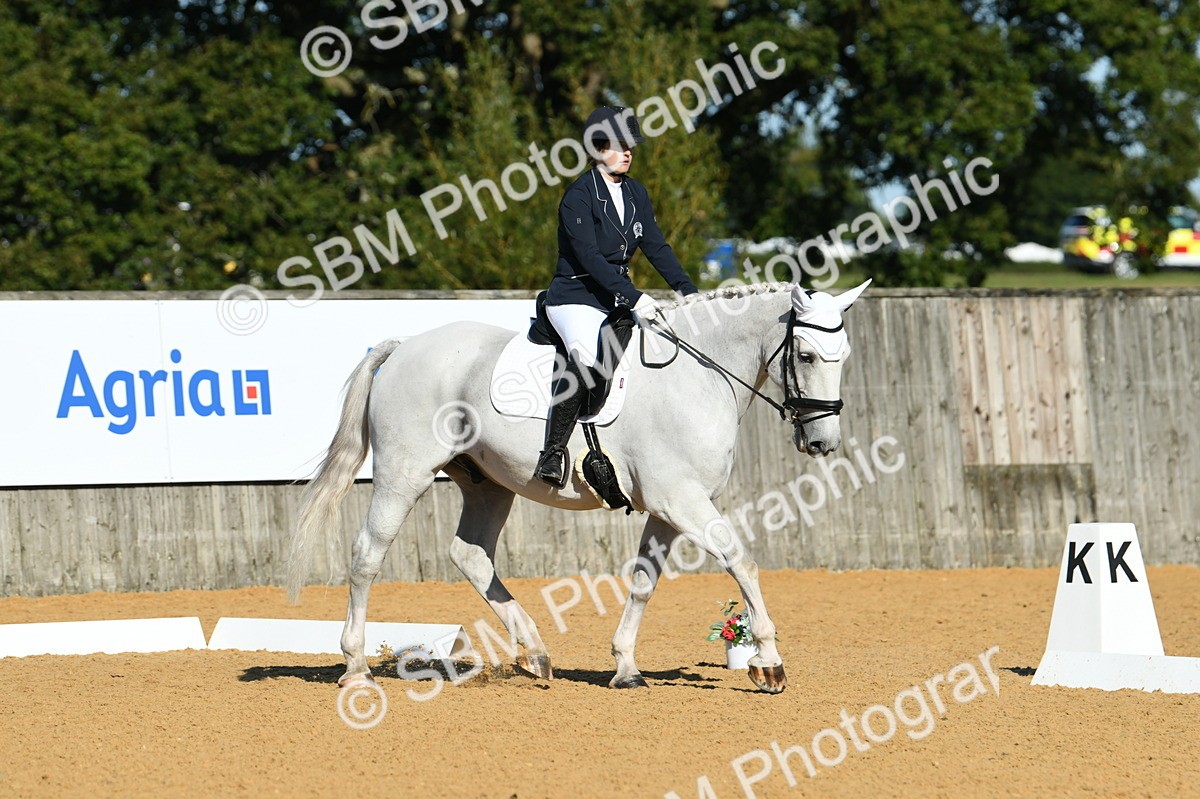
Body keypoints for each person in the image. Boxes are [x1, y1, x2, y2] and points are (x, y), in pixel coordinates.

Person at [533, 105, 700, 487]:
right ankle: (553, 453)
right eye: (618, 145)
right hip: (575, 296)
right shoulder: (578, 196)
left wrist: (688, 291)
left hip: (615, 297)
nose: (628, 152)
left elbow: (656, 247)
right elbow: (590, 258)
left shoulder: (636, 192)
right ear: (597, 148)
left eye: (631, 146)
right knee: (586, 355)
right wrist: (634, 295)